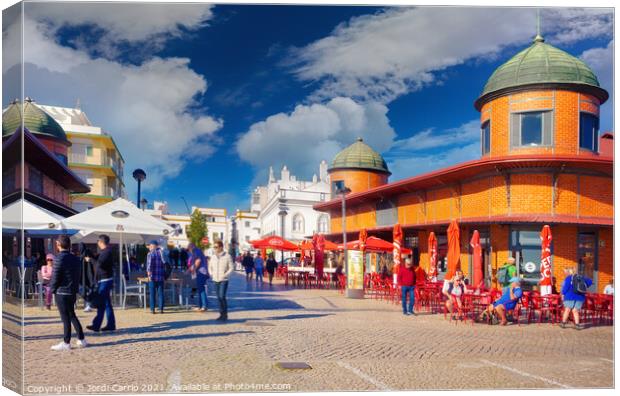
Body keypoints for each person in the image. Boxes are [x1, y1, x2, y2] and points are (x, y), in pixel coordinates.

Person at [49, 236, 87, 350]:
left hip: (62, 292)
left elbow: (55, 277)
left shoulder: (59, 258)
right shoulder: (75, 259)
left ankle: (66, 342)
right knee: (72, 315)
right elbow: (77, 276)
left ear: (58, 245)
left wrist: (52, 290)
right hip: (72, 292)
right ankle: (81, 339)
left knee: (65, 318)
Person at [87, 234, 116, 332]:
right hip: (104, 280)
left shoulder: (106, 252)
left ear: (100, 242)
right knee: (106, 303)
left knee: (101, 303)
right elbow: (99, 262)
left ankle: (96, 325)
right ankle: (110, 325)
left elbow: (99, 264)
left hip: (105, 281)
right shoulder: (104, 252)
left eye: (98, 242)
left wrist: (91, 260)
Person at [209, 241, 233, 321]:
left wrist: (225, 275)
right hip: (215, 279)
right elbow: (210, 266)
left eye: (216, 247)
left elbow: (231, 268)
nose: (215, 249)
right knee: (218, 297)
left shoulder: (227, 256)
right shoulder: (213, 257)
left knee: (222, 296)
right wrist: (211, 274)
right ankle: (221, 314)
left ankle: (225, 314)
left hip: (223, 279)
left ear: (221, 247)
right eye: (214, 247)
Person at [146, 240, 166, 314]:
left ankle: (152, 309)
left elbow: (149, 264)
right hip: (161, 276)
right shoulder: (161, 253)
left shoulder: (150, 254)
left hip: (153, 276)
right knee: (160, 293)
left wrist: (148, 274)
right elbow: (165, 264)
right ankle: (161, 309)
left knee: (152, 294)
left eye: (150, 246)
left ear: (153, 246)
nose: (149, 247)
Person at [188, 242, 209, 312]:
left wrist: (193, 269)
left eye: (189, 248)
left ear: (192, 247)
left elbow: (198, 261)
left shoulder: (197, 251)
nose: (189, 249)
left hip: (201, 272)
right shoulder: (196, 251)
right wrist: (189, 270)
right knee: (200, 289)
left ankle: (204, 306)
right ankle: (201, 306)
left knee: (201, 289)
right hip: (199, 272)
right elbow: (194, 263)